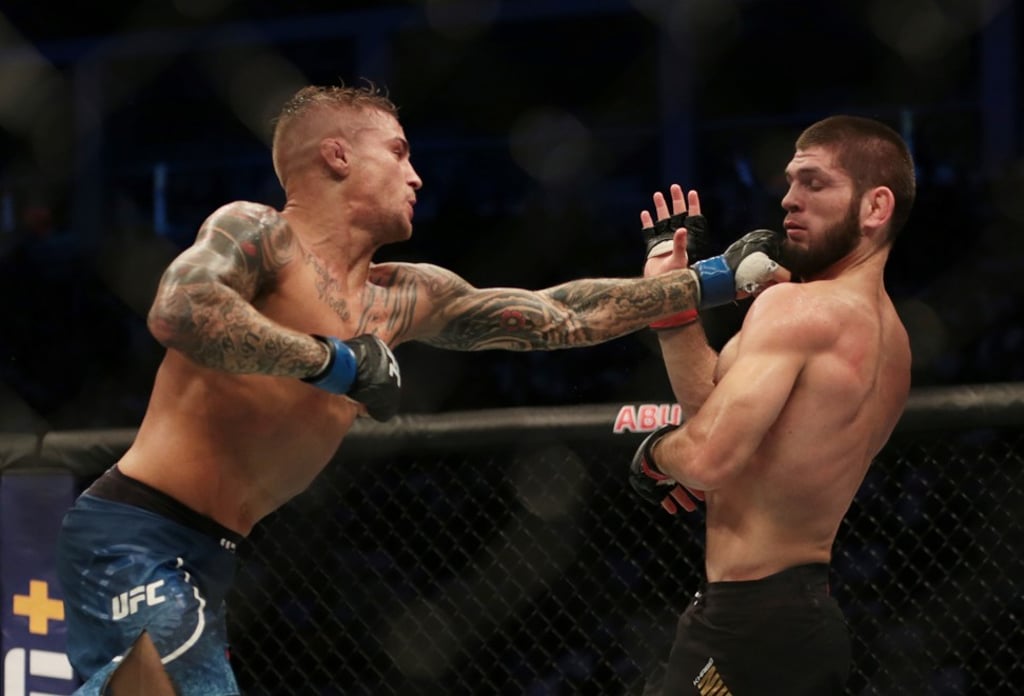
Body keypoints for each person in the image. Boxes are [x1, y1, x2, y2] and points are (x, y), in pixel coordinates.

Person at [54, 83, 785, 695]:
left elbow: (557, 316)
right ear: (337, 155)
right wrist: (333, 363)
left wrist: (710, 281)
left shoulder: (403, 297)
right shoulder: (258, 235)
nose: (417, 176)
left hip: (212, 553)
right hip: (133, 532)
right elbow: (180, 310)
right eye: (399, 152)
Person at [629, 114, 915, 695]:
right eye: (790, 182)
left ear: (875, 207)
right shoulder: (893, 340)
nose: (789, 199)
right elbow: (718, 415)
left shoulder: (796, 309)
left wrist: (654, 454)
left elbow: (707, 457)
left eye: (815, 182)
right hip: (796, 618)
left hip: (748, 626)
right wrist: (674, 307)